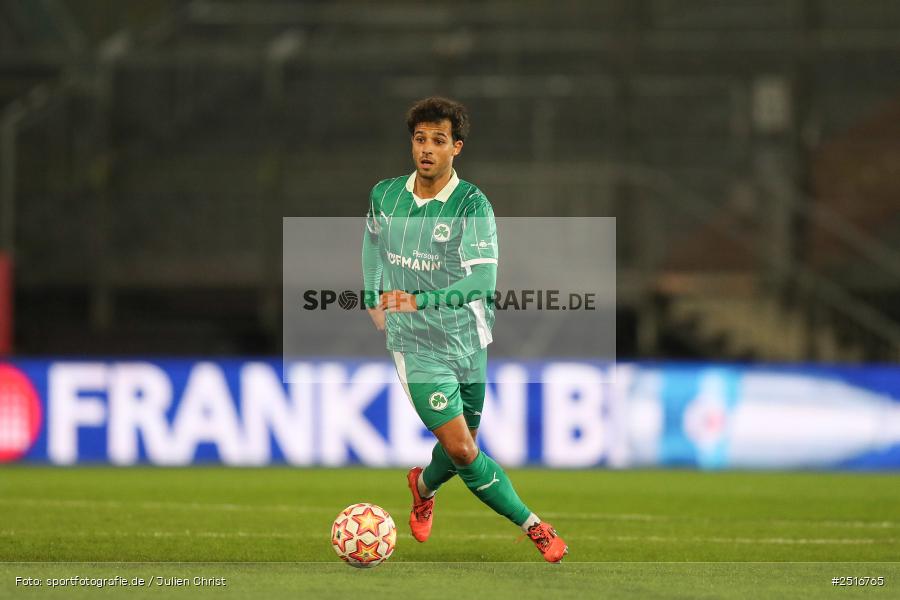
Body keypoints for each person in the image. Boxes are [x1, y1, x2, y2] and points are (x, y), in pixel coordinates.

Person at [361, 96, 567, 562]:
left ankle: (422, 486)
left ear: (456, 147)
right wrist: (373, 295)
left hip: (468, 340)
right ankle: (535, 526)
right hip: (415, 344)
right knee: (464, 449)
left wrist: (420, 298)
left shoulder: (472, 205)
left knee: (460, 451)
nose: (426, 149)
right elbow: (372, 239)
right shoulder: (385, 195)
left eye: (438, 140)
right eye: (420, 139)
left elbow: (481, 283)